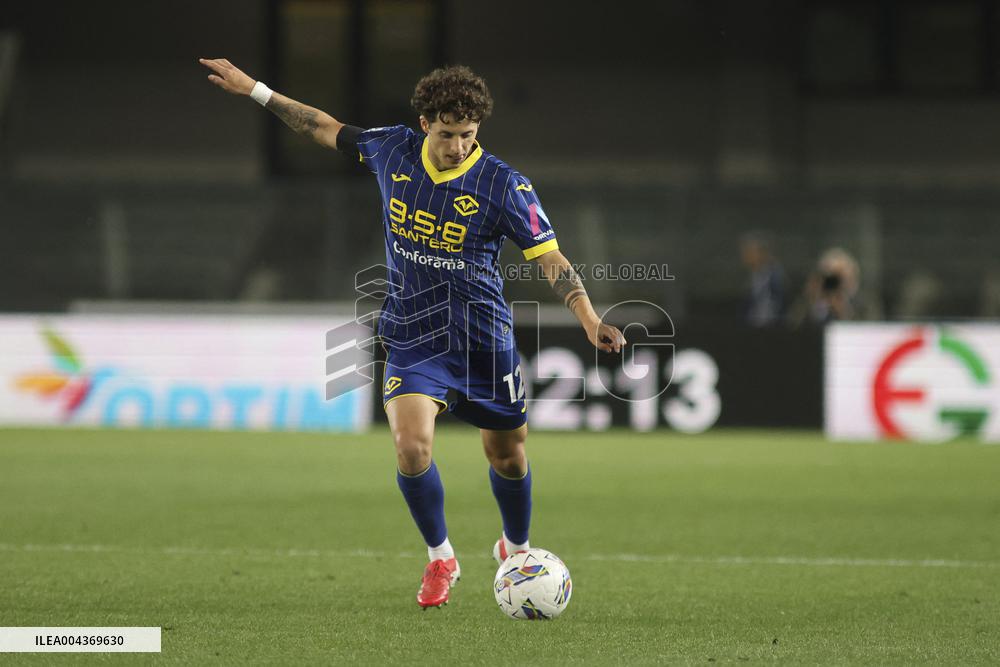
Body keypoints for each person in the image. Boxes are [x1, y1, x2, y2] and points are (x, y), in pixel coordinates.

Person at [200, 58, 626, 609]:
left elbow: (552, 260)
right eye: (448, 134)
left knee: (508, 456)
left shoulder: (504, 185)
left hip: (482, 340)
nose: (457, 147)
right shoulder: (391, 150)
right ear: (426, 124)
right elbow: (319, 125)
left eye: (468, 136)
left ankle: (516, 548)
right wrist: (254, 89)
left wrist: (590, 319)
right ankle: (440, 557)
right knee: (410, 445)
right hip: (413, 333)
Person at [739, 232, 784, 327]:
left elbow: (771, 308)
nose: (746, 256)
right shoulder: (755, 276)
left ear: (762, 253)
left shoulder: (772, 275)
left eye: (750, 252)